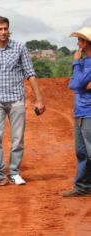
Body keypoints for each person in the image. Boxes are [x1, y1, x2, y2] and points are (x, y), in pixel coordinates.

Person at [0, 16, 46, 187]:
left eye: (5, 28)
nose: (3, 32)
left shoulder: (19, 48)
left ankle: (15, 172)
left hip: (16, 99)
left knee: (17, 138)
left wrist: (39, 99)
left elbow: (30, 73)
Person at [62, 26, 91, 197]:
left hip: (88, 111)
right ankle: (83, 186)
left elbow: (76, 83)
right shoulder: (84, 62)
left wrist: (75, 61)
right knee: (81, 151)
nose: (77, 43)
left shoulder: (84, 61)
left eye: (79, 40)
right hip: (80, 110)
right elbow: (75, 84)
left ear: (85, 42)